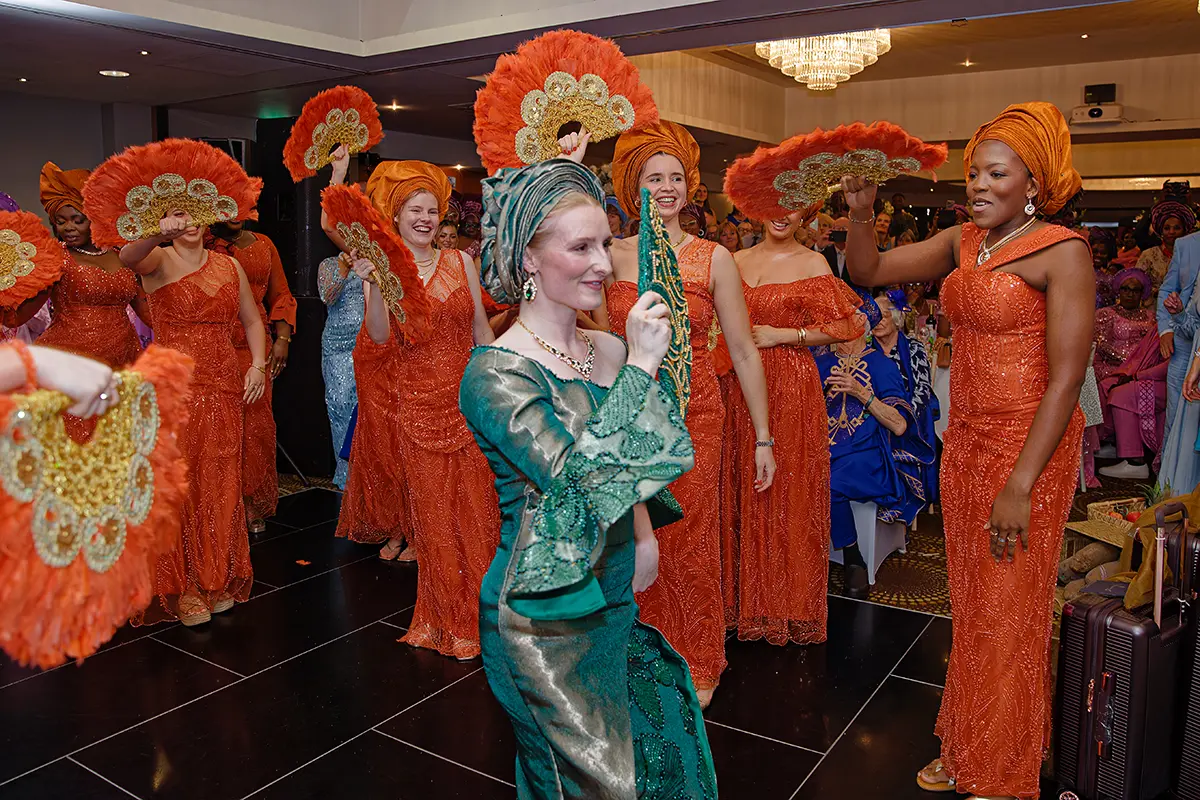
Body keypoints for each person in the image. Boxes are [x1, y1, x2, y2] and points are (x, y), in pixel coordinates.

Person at [843, 101, 1092, 800]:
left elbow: (1068, 377)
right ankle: (967, 740)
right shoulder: (962, 243)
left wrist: (1021, 482)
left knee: (1013, 605)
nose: (979, 185)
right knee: (975, 602)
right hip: (967, 445)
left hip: (1027, 453)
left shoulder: (1063, 251)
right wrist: (862, 210)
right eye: (974, 173)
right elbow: (868, 270)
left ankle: (1004, 767)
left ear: (1033, 182)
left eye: (996, 173)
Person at [461, 157, 715, 800]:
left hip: (613, 594)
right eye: (581, 246)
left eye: (605, 241)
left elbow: (633, 464)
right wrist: (645, 371)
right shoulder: (495, 374)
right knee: (588, 785)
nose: (604, 262)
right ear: (528, 259)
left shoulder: (604, 350)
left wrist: (644, 536)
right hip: (543, 618)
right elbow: (577, 482)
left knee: (646, 765)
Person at [596, 120, 776, 706]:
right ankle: (634, 647)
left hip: (698, 413)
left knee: (690, 536)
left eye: (676, 177)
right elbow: (592, 339)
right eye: (654, 178)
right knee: (630, 535)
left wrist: (764, 438)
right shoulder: (610, 257)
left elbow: (745, 349)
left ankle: (696, 654)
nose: (667, 188)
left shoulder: (715, 257)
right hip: (629, 412)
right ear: (634, 186)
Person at [333, 153, 501, 660]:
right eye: (415, 211)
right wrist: (376, 285)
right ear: (397, 217)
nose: (426, 220)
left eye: (432, 211)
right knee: (432, 520)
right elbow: (381, 338)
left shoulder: (461, 262)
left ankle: (483, 617)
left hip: (467, 401)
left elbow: (479, 333)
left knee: (477, 513)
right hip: (417, 407)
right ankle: (446, 617)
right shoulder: (380, 270)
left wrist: (497, 385)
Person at [113, 194, 267, 626]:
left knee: (219, 481)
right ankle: (182, 588)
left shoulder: (229, 265)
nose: (189, 221)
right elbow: (127, 256)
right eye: (178, 212)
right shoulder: (156, 259)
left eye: (195, 210)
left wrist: (257, 366)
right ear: (163, 218)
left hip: (222, 386)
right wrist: (157, 232)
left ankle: (214, 576)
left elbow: (253, 321)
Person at [724, 203, 863, 638]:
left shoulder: (813, 262)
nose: (780, 215)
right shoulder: (734, 261)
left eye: (792, 209)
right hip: (736, 384)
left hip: (790, 385)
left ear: (806, 215)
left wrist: (787, 335)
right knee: (739, 482)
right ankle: (739, 602)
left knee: (786, 492)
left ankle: (783, 603)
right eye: (773, 205)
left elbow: (848, 325)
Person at [818, 298, 920, 598]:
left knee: (830, 483)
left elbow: (900, 425)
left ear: (864, 328)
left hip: (865, 455)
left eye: (851, 323)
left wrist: (861, 392)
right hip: (822, 448)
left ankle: (852, 555)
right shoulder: (820, 363)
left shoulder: (881, 365)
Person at [3, 163, 150, 370]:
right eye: (60, 221)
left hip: (124, 357)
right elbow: (17, 318)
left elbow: (148, 313)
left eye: (77, 220)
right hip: (71, 361)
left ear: (95, 219)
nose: (68, 228)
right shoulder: (55, 258)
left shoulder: (122, 255)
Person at [208, 220, 297, 531]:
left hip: (254, 340)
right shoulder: (199, 241)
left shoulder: (263, 243)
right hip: (213, 338)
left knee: (255, 425)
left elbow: (281, 293)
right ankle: (220, 503)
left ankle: (250, 503)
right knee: (218, 425)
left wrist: (283, 338)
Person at [874, 290, 940, 507]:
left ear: (895, 319)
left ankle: (902, 509)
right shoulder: (866, 350)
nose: (877, 322)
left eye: (882, 316)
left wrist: (903, 416)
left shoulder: (913, 347)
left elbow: (923, 389)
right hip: (875, 417)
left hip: (908, 417)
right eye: (872, 316)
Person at [318, 251, 363, 488]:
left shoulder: (377, 264)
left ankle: (368, 477)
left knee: (366, 409)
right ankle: (346, 477)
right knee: (340, 404)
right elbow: (327, 296)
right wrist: (344, 268)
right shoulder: (328, 263)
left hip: (369, 343)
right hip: (338, 346)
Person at [1155, 207, 1200, 440]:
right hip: (1182, 339)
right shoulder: (1186, 244)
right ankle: (1169, 473)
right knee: (1176, 408)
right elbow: (1167, 289)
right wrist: (1165, 329)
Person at [1140, 200, 1194, 295]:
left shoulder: (1193, 254)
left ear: (1184, 231)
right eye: (1167, 228)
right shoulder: (1148, 255)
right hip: (1154, 306)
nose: (1171, 232)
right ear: (1161, 232)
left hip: (1186, 306)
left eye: (1177, 228)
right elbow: (1138, 283)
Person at [1089, 227, 1119, 308]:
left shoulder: (1112, 276)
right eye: (1095, 251)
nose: (1098, 255)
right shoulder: (1080, 272)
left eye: (1103, 252)